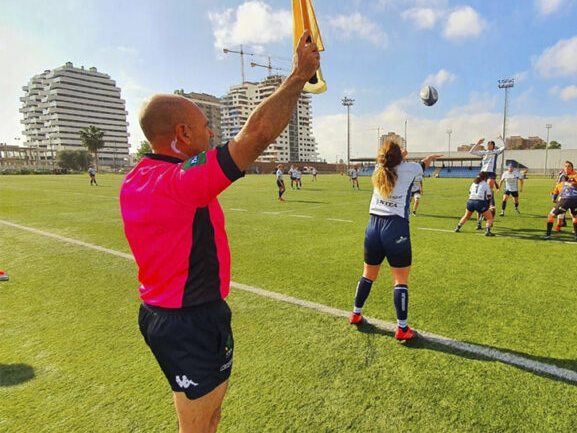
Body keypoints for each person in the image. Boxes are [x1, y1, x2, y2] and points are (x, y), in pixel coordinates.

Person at [119, 30, 319, 432]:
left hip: (163, 317)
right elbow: (255, 137)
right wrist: (298, 76)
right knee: (199, 423)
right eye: (205, 126)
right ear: (181, 135)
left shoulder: (135, 180)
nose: (212, 134)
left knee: (202, 416)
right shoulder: (177, 184)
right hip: (192, 321)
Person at [348, 141, 440, 340]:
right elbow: (423, 164)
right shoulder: (411, 169)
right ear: (401, 156)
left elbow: (392, 160)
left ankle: (356, 313)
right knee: (400, 280)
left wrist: (399, 155)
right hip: (395, 227)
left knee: (368, 275)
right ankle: (402, 328)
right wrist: (431, 158)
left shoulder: (378, 168)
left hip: (373, 226)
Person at [543, 161, 577, 240]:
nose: (567, 168)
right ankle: (576, 235)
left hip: (566, 199)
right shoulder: (568, 180)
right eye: (565, 166)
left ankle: (548, 235)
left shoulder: (573, 176)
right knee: (574, 216)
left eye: (568, 166)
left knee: (551, 215)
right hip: (576, 199)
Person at [455, 171, 496, 236]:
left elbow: (469, 194)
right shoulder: (485, 184)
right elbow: (489, 196)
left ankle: (458, 227)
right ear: (485, 178)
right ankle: (487, 231)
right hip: (479, 202)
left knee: (466, 216)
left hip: (470, 201)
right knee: (489, 218)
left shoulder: (473, 183)